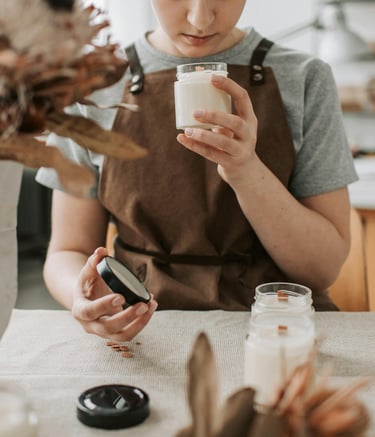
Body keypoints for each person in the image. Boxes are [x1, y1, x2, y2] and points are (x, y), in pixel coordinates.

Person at [36, 0, 358, 341]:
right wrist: (82, 296)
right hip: (144, 329)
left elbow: (321, 270)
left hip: (275, 328)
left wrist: (246, 171)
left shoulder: (305, 78)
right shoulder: (90, 88)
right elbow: (67, 251)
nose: (200, 19)